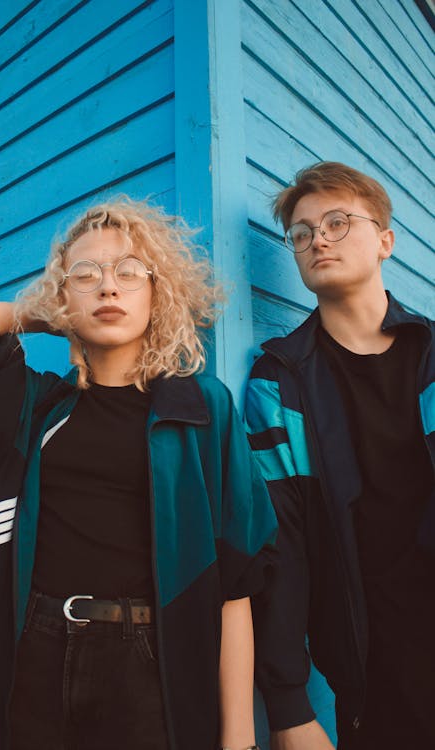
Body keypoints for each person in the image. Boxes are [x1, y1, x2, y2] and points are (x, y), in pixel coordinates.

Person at [0, 198, 277, 750]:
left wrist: (238, 739)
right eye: (86, 275)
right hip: (32, 654)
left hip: (148, 663)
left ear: (158, 292)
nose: (108, 288)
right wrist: (41, 312)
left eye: (129, 272)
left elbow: (237, 581)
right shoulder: (33, 405)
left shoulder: (201, 409)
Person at [245, 162, 434, 750]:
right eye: (301, 233)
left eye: (336, 221)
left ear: (385, 241)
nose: (317, 239)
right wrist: (288, 706)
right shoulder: (279, 384)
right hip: (371, 670)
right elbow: (281, 546)